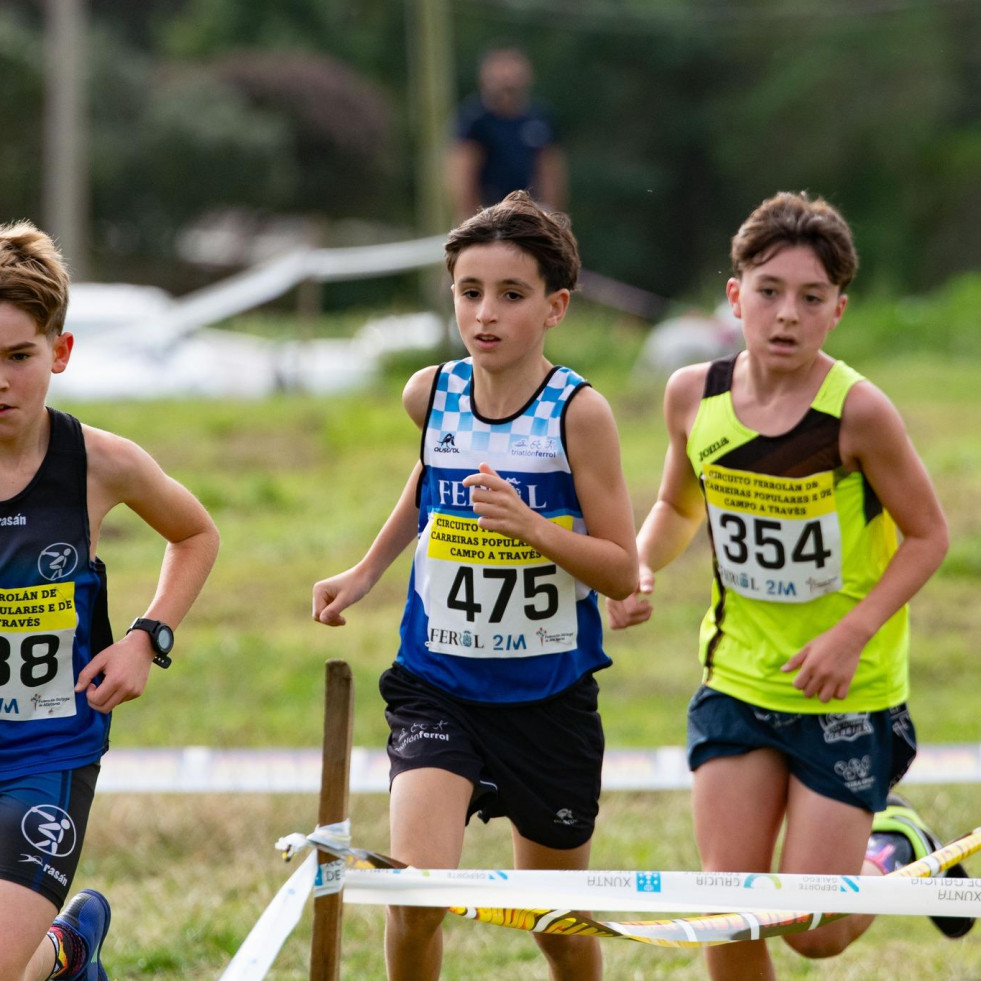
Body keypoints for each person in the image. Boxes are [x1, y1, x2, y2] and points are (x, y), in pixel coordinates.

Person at [607, 191, 973, 979]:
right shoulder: (691, 395)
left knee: (810, 929)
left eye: (810, 299)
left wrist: (850, 633)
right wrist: (639, 561)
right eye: (768, 292)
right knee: (728, 914)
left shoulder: (857, 414)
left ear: (837, 311)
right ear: (734, 295)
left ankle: (896, 844)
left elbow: (929, 534)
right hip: (736, 680)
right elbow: (679, 502)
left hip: (845, 695)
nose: (785, 316)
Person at [312, 190, 637, 981]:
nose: (484, 314)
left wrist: (534, 529)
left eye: (511, 295)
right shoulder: (429, 393)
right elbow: (428, 481)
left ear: (555, 306)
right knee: (414, 896)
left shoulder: (578, 414)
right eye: (469, 292)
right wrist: (366, 569)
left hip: (547, 698)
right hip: (439, 682)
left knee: (554, 923)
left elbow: (621, 568)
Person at [0, 221, 219, 981]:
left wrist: (145, 636)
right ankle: (65, 956)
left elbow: (196, 534)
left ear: (58, 354)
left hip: (47, 748)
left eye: (19, 357)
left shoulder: (100, 463)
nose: (0, 379)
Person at [447, 47, 568, 222]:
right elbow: (463, 174)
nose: (507, 77)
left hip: (532, 212)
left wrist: (552, 214)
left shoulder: (540, 118)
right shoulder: (474, 120)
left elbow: (550, 170)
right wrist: (473, 218)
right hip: (489, 212)